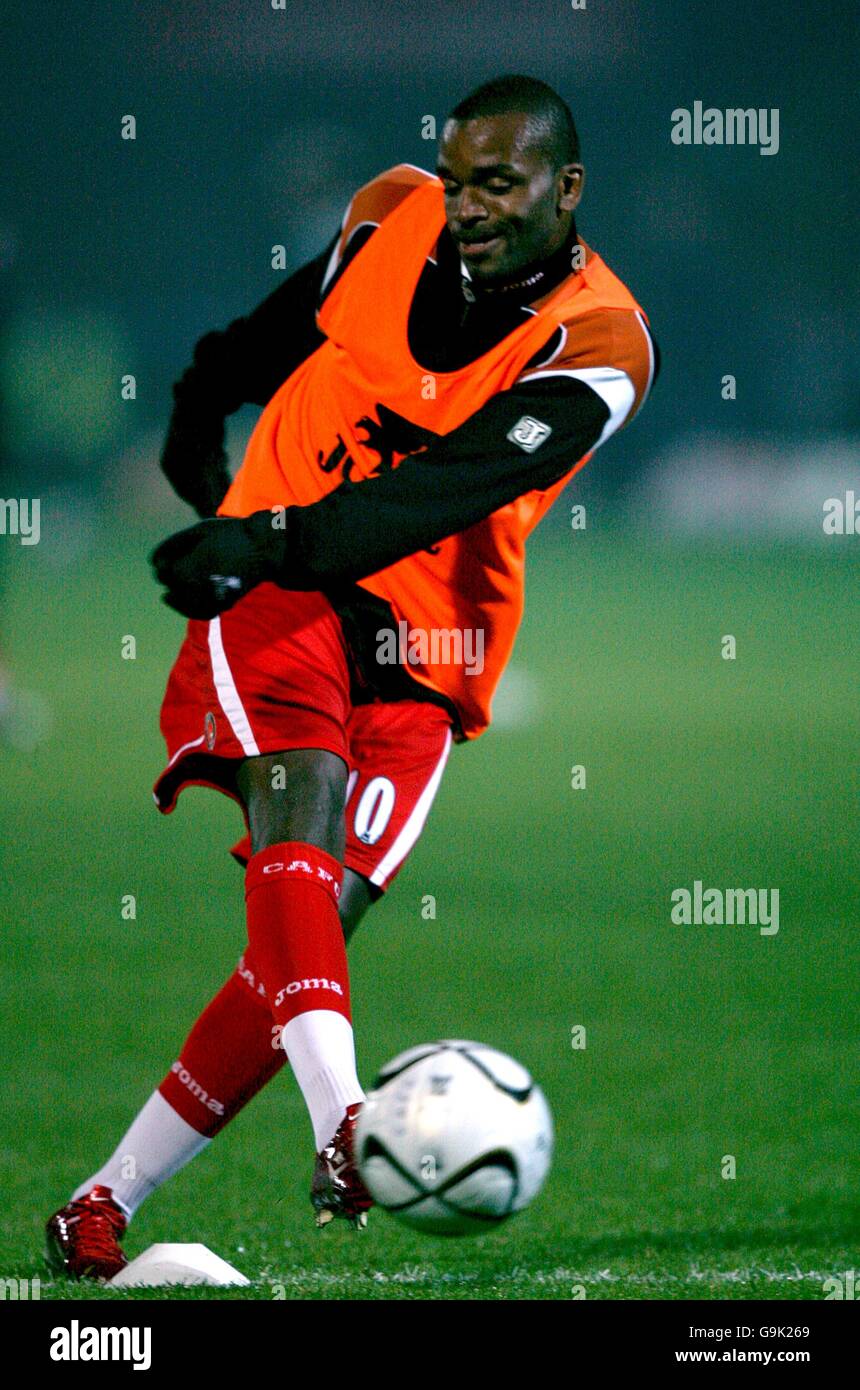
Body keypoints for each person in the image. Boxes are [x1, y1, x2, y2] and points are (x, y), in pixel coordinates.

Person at [46, 74, 658, 1278]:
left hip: (426, 636)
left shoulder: (599, 345)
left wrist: (265, 535)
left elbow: (448, 487)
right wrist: (200, 395)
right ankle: (345, 1125)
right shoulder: (394, 211)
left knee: (306, 939)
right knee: (301, 811)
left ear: (566, 189)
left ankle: (95, 1203)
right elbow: (291, 323)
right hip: (278, 585)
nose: (468, 204)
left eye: (500, 181)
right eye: (458, 172)